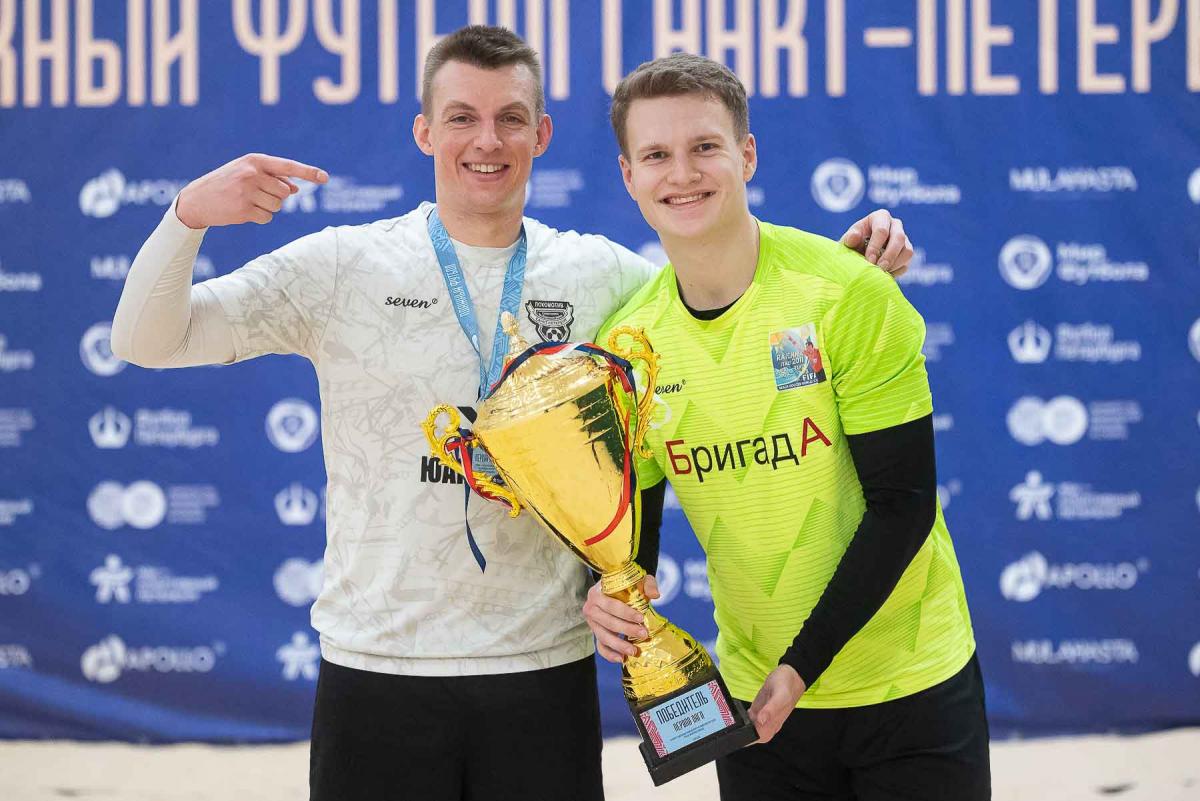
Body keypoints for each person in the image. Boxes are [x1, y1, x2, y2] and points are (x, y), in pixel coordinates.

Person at [110, 26, 914, 801]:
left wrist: (845, 269)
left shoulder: (601, 276)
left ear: (543, 134)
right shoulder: (343, 266)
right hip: (378, 671)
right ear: (425, 132)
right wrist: (188, 216)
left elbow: (720, 303)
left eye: (511, 118)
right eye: (462, 117)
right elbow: (148, 339)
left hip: (543, 674)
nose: (487, 141)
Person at [585, 53, 988, 800]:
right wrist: (609, 592)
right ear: (628, 175)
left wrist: (801, 667)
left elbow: (902, 506)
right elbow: (631, 535)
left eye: (705, 146)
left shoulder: (847, 294)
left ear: (747, 154)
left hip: (907, 684)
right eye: (657, 155)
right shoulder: (628, 347)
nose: (683, 173)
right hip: (759, 702)